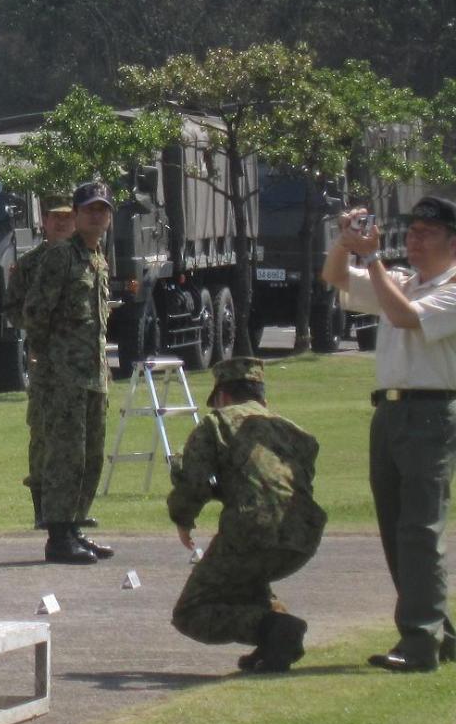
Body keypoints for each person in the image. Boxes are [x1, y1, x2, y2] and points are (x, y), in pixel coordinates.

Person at [322, 195, 456, 672]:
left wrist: (373, 257)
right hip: (391, 411)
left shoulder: (450, 288)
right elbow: (336, 278)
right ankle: (438, 629)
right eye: (413, 232)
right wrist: (345, 242)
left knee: (420, 529)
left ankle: (420, 642)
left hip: (430, 412)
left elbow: (405, 317)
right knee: (396, 528)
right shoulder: (402, 280)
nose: (415, 241)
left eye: (428, 233)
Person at [167, 356, 326, 673]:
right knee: (249, 578)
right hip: (303, 535)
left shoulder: (217, 423)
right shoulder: (292, 431)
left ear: (222, 396)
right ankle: (275, 641)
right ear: (262, 397)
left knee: (191, 612)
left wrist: (183, 518)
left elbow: (194, 482)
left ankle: (271, 629)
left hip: (251, 531)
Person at [22, 180, 116, 564]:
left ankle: (75, 525)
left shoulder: (98, 260)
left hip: (93, 374)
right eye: (89, 209)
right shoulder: (61, 257)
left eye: (102, 209)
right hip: (63, 377)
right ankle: (58, 536)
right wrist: (49, 362)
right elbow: (35, 314)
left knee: (91, 455)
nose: (96, 215)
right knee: (65, 456)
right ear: (75, 215)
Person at [10, 196, 75, 530]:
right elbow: (12, 308)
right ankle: (41, 507)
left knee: (77, 438)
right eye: (55, 218)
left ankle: (71, 514)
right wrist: (37, 324)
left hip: (78, 368)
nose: (61, 223)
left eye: (67, 217)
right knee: (42, 435)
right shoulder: (30, 265)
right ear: (44, 222)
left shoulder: (89, 259)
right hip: (45, 364)